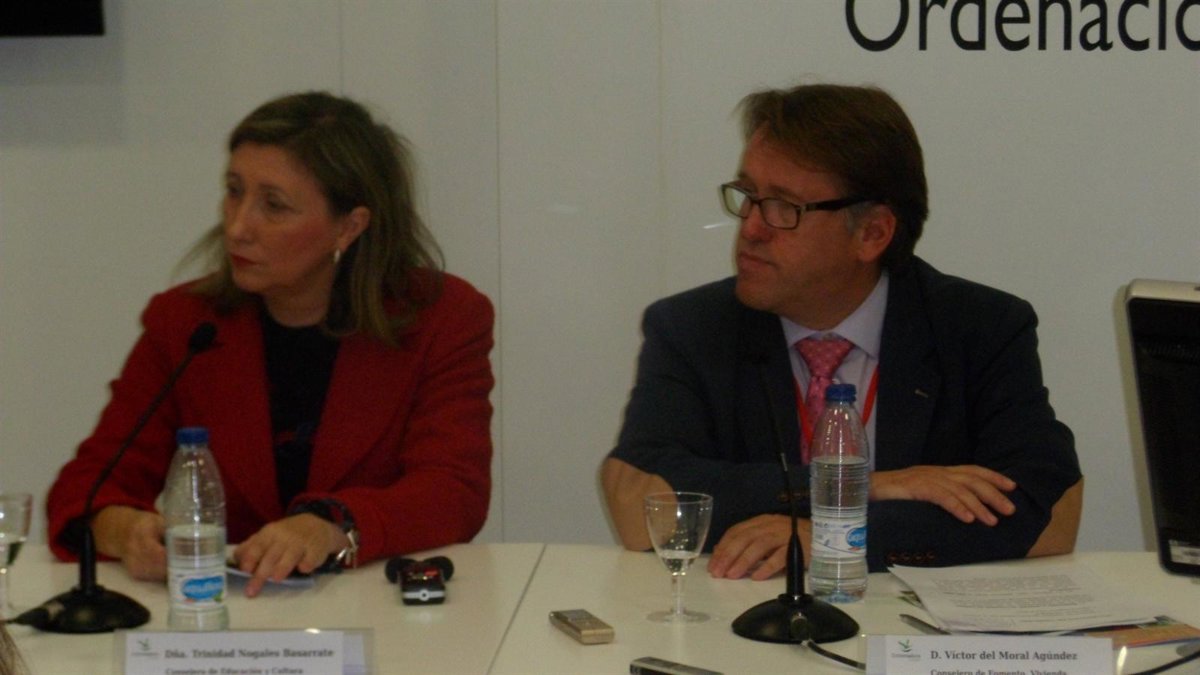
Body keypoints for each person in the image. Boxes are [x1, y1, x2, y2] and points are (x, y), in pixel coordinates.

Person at [602, 83, 1083, 581]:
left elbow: (1050, 513)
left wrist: (839, 539)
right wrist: (868, 486)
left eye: (783, 207)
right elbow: (639, 500)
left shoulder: (980, 328)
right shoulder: (693, 328)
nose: (751, 228)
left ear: (872, 233)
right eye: (748, 196)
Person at [47, 92, 494, 597]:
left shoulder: (441, 317)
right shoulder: (186, 323)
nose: (237, 227)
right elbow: (88, 485)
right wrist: (123, 529)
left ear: (349, 227)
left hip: (377, 606)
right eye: (233, 192)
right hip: (226, 610)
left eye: (274, 206)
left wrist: (332, 526)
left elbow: (452, 490)